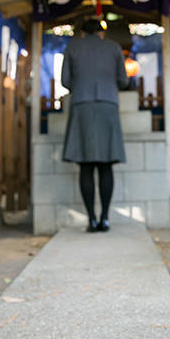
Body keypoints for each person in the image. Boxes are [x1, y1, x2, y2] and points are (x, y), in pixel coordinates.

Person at [61, 19, 128, 232]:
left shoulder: (73, 47)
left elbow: (65, 81)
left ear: (82, 33)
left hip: (82, 105)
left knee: (86, 165)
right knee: (106, 164)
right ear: (101, 33)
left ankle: (91, 219)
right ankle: (105, 218)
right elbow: (123, 80)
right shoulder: (114, 48)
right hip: (108, 106)